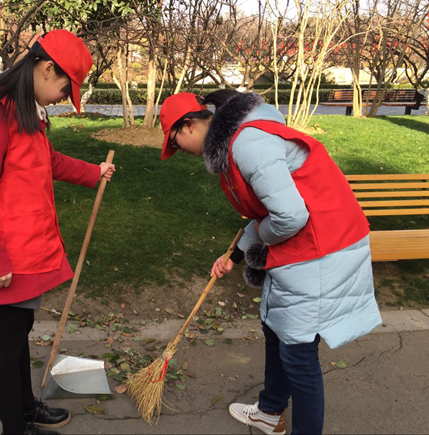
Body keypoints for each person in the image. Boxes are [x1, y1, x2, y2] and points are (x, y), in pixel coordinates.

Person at [158, 90, 381, 435]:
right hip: (304, 245)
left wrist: (258, 238)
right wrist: (234, 255)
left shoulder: (248, 144)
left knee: (299, 353)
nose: (179, 152)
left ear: (188, 126)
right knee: (275, 326)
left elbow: (290, 216)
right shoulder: (236, 143)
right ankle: (269, 412)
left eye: (175, 143)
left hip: (323, 246)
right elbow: (268, 214)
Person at [0, 30, 115, 435]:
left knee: (19, 335)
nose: (65, 96)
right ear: (46, 69)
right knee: (6, 345)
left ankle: (25, 407)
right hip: (6, 257)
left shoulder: (25, 110)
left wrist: (93, 173)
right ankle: (15, 427)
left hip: (27, 250)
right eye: (66, 86)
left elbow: (47, 161)